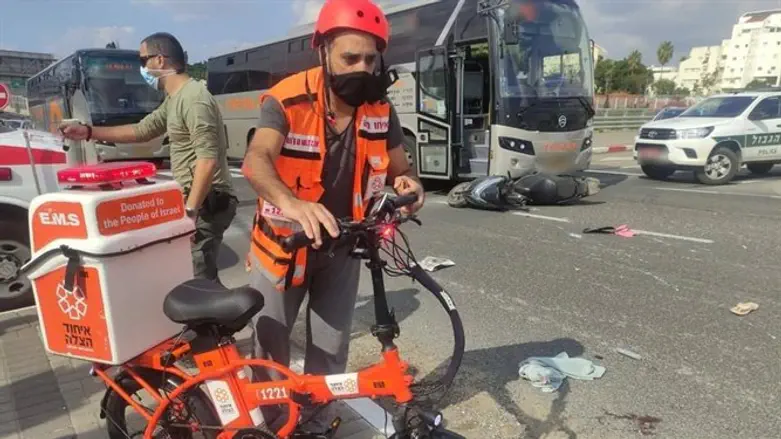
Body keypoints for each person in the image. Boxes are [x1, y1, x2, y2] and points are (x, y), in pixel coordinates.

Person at [240, 0, 424, 430]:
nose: (361, 67)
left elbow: (402, 171)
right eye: (349, 57)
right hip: (283, 245)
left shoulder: (381, 109)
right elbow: (256, 159)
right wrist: (293, 204)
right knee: (270, 347)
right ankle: (274, 425)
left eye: (369, 58)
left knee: (330, 347)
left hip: (344, 247)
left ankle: (317, 423)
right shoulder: (286, 100)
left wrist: (411, 188)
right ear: (321, 51)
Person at [60, 32, 237, 283]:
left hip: (209, 202)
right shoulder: (175, 99)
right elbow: (141, 130)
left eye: (144, 60)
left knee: (198, 277)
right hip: (199, 200)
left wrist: (189, 213)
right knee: (197, 275)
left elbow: (207, 160)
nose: (142, 67)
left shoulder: (194, 98)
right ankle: (214, 317)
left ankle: (218, 320)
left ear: (161, 60)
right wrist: (88, 132)